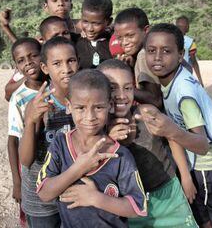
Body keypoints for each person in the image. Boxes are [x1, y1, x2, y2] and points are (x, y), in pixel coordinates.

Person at [142, 23, 212, 228]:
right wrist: (186, 176)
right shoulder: (172, 79)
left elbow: (202, 144)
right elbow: (175, 133)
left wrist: (169, 130)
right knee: (202, 219)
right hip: (200, 166)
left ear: (181, 55)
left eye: (167, 51)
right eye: (151, 51)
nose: (158, 57)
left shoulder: (183, 92)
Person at [36, 69, 148, 227]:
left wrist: (95, 198)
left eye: (98, 108)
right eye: (81, 108)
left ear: (110, 105)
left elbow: (138, 208)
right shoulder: (60, 144)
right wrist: (79, 168)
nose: (90, 117)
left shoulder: (120, 155)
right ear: (68, 106)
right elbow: (44, 193)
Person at [96, 59, 198, 227]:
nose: (121, 95)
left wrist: (186, 177)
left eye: (128, 88)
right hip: (130, 205)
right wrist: (109, 140)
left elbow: (172, 139)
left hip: (169, 195)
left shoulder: (146, 113)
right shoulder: (97, 128)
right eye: (112, 88)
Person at [18, 36, 79, 227]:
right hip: (41, 200)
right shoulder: (38, 105)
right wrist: (30, 121)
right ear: (45, 68)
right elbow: (26, 160)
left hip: (74, 193)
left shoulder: (86, 100)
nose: (66, 69)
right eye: (57, 63)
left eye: (71, 60)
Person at [6, 38, 49, 226]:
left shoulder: (57, 86)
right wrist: (17, 182)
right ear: (16, 66)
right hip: (33, 170)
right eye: (21, 60)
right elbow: (13, 141)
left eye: (34, 55)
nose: (28, 63)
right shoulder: (19, 97)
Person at [0, 0, 81, 44]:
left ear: (71, 6)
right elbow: (24, 51)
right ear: (46, 7)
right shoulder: (43, 38)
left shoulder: (85, 26)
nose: (60, 4)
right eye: (54, 0)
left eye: (65, 0)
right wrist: (6, 27)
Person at [113, 7, 162, 108]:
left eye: (130, 36)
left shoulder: (143, 55)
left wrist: (121, 88)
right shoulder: (145, 52)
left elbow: (155, 100)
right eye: (119, 38)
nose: (124, 42)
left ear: (146, 30)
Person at [76, 0, 113, 69]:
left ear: (108, 22)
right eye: (85, 21)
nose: (90, 29)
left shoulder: (113, 43)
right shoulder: (76, 42)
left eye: (96, 23)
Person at [176, 16, 204, 87]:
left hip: (172, 75)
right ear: (187, 27)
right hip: (186, 74)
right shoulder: (190, 42)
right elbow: (194, 62)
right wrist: (200, 80)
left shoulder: (169, 40)